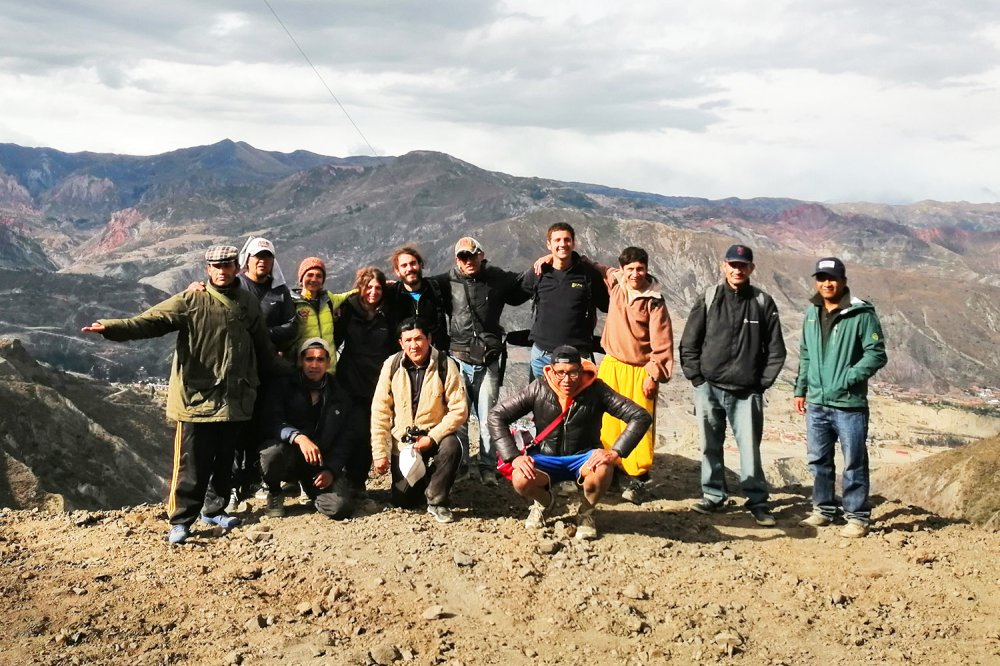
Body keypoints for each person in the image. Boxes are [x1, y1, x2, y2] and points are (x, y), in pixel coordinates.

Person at [81, 245, 289, 545]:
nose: (222, 270)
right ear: (208, 269)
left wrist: (292, 370)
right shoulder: (192, 299)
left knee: (223, 461)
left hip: (235, 399)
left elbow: (263, 348)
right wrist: (111, 328)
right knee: (192, 464)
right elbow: (151, 321)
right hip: (197, 399)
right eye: (216, 266)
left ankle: (214, 510)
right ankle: (180, 521)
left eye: (227, 265)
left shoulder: (247, 302)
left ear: (236, 267)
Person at [488, 345, 651, 540]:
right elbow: (496, 415)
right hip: (545, 457)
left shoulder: (597, 390)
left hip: (583, 457)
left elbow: (640, 416)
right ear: (551, 370)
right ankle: (544, 503)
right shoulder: (539, 387)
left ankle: (586, 513)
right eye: (561, 373)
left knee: (603, 468)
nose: (566, 379)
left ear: (581, 370)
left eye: (573, 373)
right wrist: (514, 457)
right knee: (520, 478)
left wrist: (615, 452)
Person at [678, 244, 786, 526]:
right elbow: (689, 342)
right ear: (723, 266)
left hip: (746, 392)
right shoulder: (710, 298)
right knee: (709, 445)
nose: (737, 270)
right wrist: (697, 378)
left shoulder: (763, 302)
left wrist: (761, 383)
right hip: (709, 387)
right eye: (733, 264)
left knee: (750, 448)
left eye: (743, 265)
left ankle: (758, 502)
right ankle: (713, 496)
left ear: (751, 269)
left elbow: (776, 350)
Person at [794, 257, 887, 538]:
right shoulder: (811, 312)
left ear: (843, 281)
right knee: (818, 459)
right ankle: (823, 510)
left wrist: (848, 378)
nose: (826, 283)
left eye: (832, 278)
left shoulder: (861, 314)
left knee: (853, 461)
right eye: (821, 278)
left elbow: (876, 354)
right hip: (817, 403)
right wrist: (800, 388)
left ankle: (857, 516)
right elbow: (806, 354)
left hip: (849, 404)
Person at [445, 237, 529, 485]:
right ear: (456, 260)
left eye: (472, 255)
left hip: (488, 358)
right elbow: (419, 291)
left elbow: (524, 285)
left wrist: (544, 266)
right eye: (463, 257)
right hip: (458, 358)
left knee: (488, 417)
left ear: (482, 254)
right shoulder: (446, 281)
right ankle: (461, 467)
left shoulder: (498, 277)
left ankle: (487, 467)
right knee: (458, 418)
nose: (468, 261)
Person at [594, 246, 674, 504]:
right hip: (611, 364)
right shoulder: (616, 282)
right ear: (623, 269)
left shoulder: (654, 301)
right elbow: (597, 267)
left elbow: (662, 343)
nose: (635, 274)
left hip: (639, 370)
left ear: (646, 268)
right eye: (630, 269)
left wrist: (653, 374)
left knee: (639, 423)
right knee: (608, 422)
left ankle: (638, 478)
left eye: (640, 268)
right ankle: (612, 472)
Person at [370, 318, 468, 523]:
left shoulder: (444, 364)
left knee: (452, 445)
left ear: (429, 338)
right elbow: (380, 410)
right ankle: (426, 479)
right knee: (404, 500)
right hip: (404, 443)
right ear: (401, 343)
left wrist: (432, 438)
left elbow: (459, 410)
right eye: (408, 340)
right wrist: (380, 453)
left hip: (434, 434)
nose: (414, 345)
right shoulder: (392, 365)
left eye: (419, 339)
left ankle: (437, 500)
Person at [259, 338, 358, 520]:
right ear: (300, 361)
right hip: (290, 455)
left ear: (328, 363)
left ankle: (311, 491)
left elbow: (346, 438)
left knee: (340, 507)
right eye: (309, 359)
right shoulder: (284, 385)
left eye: (320, 359)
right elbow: (272, 420)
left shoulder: (339, 394)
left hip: (319, 463)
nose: (314, 364)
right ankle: (274, 491)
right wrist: (298, 437)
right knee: (271, 454)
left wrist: (331, 470)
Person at [333, 267, 399, 496]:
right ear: (360, 287)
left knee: (373, 432)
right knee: (356, 430)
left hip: (379, 381)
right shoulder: (348, 309)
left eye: (378, 287)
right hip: (350, 379)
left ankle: (358, 479)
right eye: (368, 286)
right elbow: (334, 338)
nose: (373, 292)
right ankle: (353, 479)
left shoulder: (388, 312)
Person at [519, 223, 609, 380]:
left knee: (576, 404)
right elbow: (513, 296)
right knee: (540, 403)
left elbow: (608, 306)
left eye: (567, 240)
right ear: (549, 244)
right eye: (557, 240)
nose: (562, 244)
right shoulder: (538, 272)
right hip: (542, 356)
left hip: (577, 357)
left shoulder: (588, 275)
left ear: (573, 243)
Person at [287, 256, 354, 372]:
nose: (314, 279)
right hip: (303, 370)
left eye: (319, 276)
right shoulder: (292, 303)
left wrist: (384, 285)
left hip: (329, 369)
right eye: (310, 275)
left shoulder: (328, 300)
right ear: (301, 278)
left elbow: (348, 295)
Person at [384, 246, 450, 351]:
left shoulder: (436, 287)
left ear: (420, 264)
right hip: (404, 358)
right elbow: (366, 291)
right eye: (404, 265)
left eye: (413, 263)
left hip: (437, 356)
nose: (409, 268)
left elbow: (462, 274)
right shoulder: (391, 294)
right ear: (397, 271)